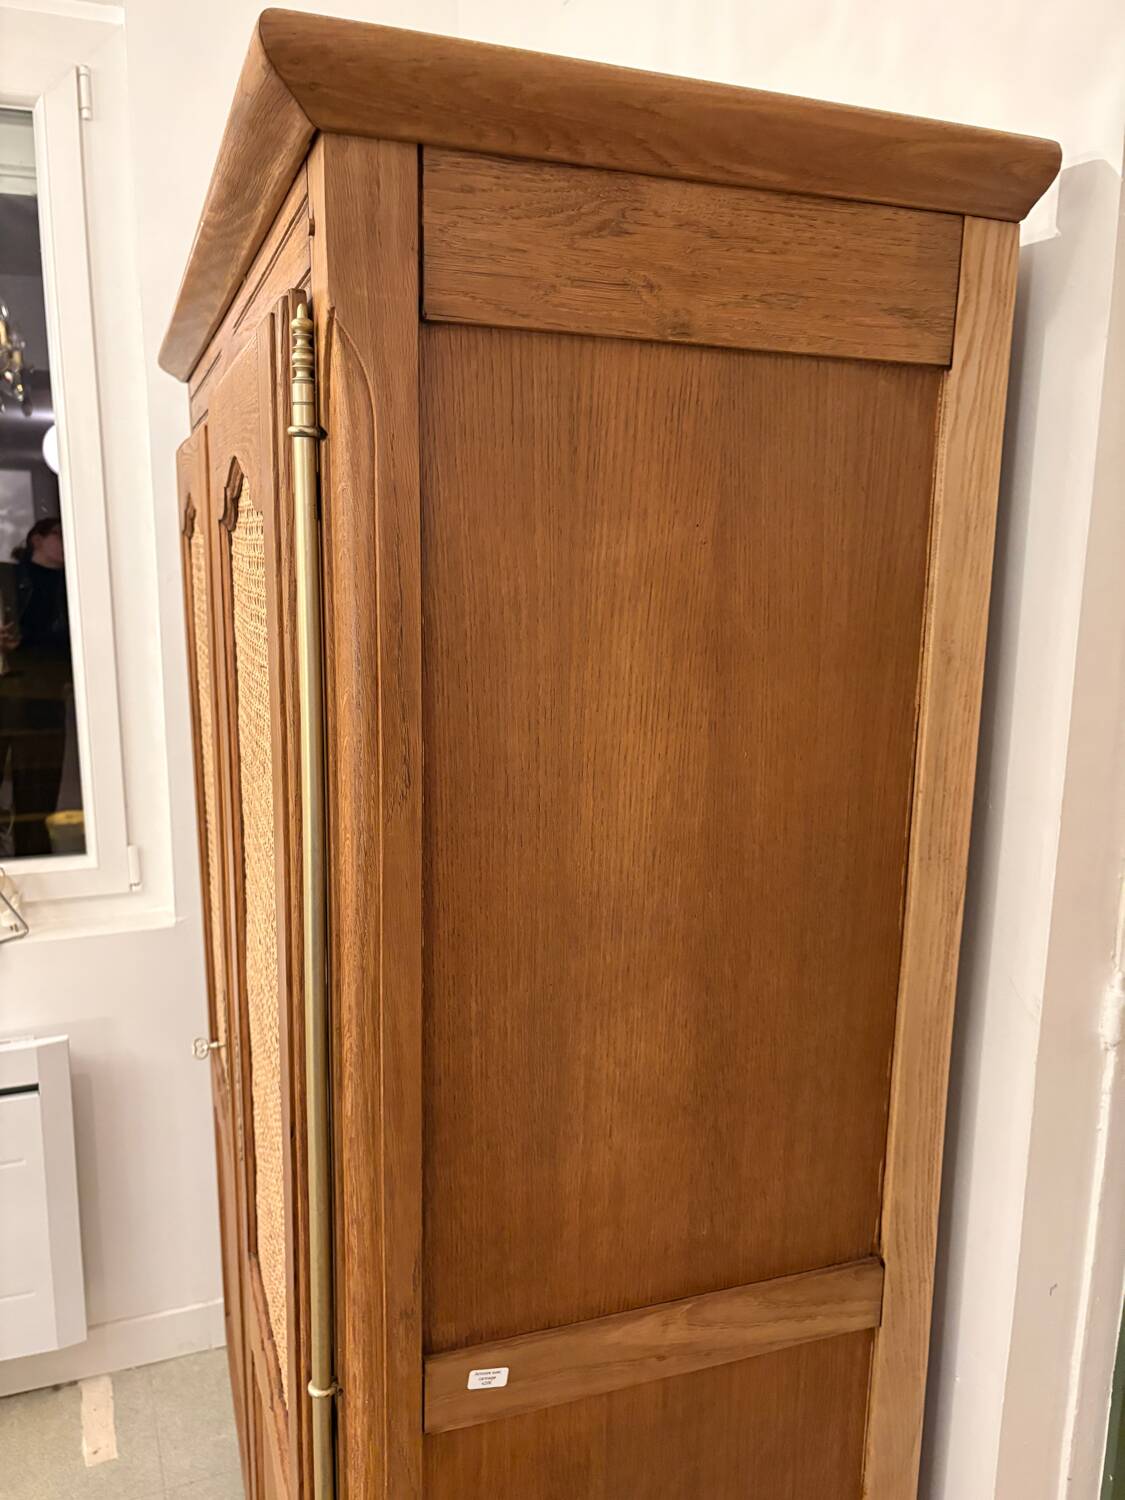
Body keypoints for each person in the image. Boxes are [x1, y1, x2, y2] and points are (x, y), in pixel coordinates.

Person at [0, 517, 75, 855]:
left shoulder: (75, 584)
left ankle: (37, 862)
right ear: (36, 539)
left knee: (38, 794)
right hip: (7, 695)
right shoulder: (8, 578)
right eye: (59, 533)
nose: (66, 540)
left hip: (44, 696)